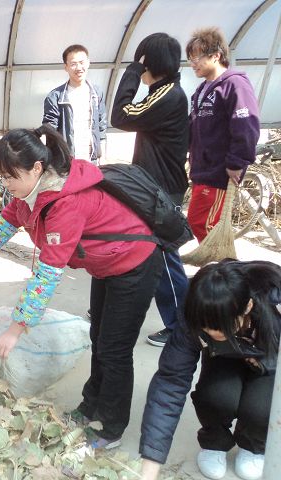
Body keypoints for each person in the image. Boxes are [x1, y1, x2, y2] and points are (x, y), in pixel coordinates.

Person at [0, 124, 163, 449]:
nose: (6, 184)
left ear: (36, 168)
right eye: (2, 177)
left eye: (10, 176)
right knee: (99, 337)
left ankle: (110, 427)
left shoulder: (65, 203)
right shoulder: (28, 195)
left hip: (134, 264)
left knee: (114, 348)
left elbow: (46, 274)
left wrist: (16, 328)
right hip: (105, 265)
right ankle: (91, 406)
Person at [139, 260, 281, 480]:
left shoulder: (274, 303)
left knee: (261, 408)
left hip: (268, 359)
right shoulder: (194, 311)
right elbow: (170, 384)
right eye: (207, 329)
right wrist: (149, 468)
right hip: (224, 356)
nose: (213, 334)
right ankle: (215, 443)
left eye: (222, 327)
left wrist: (266, 363)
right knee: (215, 397)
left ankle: (253, 446)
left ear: (247, 307)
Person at [111, 33, 189, 348]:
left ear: (150, 62)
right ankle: (175, 321)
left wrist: (131, 71)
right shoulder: (163, 93)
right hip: (156, 187)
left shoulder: (168, 95)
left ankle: (181, 327)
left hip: (162, 191)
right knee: (150, 253)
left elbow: (121, 116)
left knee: (165, 259)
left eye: (142, 61)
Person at [186, 27, 260, 242]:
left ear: (216, 56)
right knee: (201, 224)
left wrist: (237, 162)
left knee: (203, 223)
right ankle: (217, 261)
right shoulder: (202, 89)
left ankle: (220, 262)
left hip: (220, 171)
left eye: (197, 58)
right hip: (202, 169)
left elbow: (246, 125)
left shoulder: (235, 84)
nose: (193, 64)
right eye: (190, 59)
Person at [42, 44, 107, 164]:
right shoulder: (55, 97)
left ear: (88, 63)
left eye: (82, 62)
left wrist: (102, 155)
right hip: (67, 162)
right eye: (73, 64)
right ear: (66, 67)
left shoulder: (96, 93)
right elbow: (50, 131)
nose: (78, 67)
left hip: (92, 159)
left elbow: (101, 125)